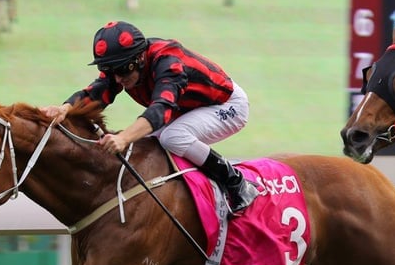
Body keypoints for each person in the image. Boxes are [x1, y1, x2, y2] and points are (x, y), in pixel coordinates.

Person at [41, 21, 259, 215]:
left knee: (172, 137)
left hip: (226, 105)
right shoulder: (125, 66)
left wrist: (124, 137)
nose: (118, 78)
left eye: (122, 71)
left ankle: (237, 183)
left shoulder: (168, 62)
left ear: (140, 58)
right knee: (146, 145)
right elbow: (96, 93)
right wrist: (65, 108)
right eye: (111, 71)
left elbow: (161, 109)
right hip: (189, 108)